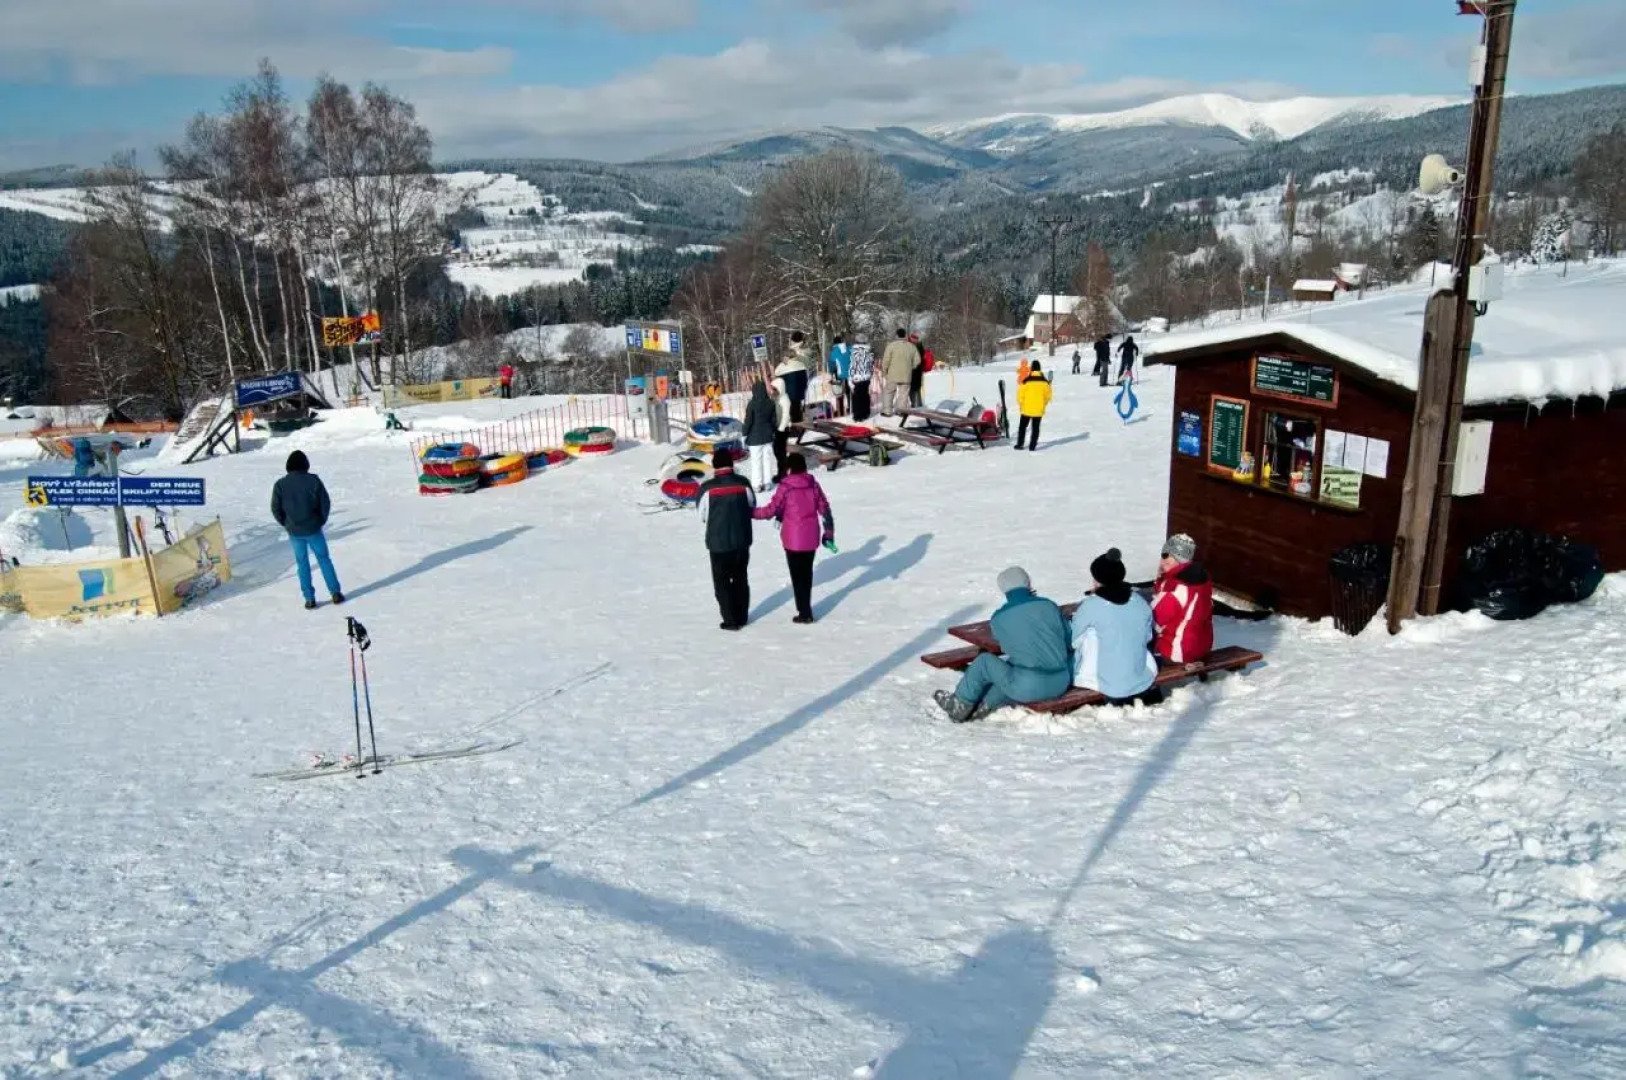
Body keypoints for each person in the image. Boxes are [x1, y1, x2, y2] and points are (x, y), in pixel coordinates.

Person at [934, 567, 1073, 722]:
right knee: (1014, 674)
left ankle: (960, 703)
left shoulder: (999, 618)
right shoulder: (1049, 606)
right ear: (1028, 583)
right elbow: (1068, 639)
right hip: (1060, 682)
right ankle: (984, 705)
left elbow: (1006, 648)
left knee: (985, 662)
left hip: (1028, 687)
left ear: (1004, 589)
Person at [1071, 547, 1162, 706]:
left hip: (1107, 683)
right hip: (1141, 676)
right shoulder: (1139, 602)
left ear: (1098, 580)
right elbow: (1148, 636)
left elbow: (1074, 639)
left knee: (1090, 636)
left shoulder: (1091, 606)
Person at [752, 453, 835, 624]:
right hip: (810, 539)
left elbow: (771, 510)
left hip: (792, 540)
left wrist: (749, 512)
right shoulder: (813, 484)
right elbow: (825, 510)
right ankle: (806, 610)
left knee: (797, 577)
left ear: (789, 468)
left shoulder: (786, 486)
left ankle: (804, 612)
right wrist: (829, 534)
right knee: (806, 575)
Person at [271, 450, 344, 611]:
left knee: (302, 563)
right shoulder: (314, 480)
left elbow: (275, 508)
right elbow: (325, 502)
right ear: (305, 464)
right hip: (313, 529)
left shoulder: (280, 485)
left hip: (294, 532)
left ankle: (309, 598)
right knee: (324, 559)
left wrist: (286, 523)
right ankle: (335, 592)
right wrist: (320, 520)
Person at [696, 448, 757, 631]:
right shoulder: (744, 483)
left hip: (718, 543)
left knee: (721, 583)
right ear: (731, 464)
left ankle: (730, 619)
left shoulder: (706, 488)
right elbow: (752, 505)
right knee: (740, 578)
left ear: (714, 466)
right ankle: (742, 616)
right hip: (741, 540)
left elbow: (702, 515)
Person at [1151, 533, 1215, 665]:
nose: (1162, 559)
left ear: (1178, 559)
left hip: (1178, 652)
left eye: (1165, 555)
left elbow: (1152, 621)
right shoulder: (1200, 581)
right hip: (1201, 647)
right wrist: (1162, 579)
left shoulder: (1176, 589)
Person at [741, 379, 778, 492]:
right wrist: (772, 431)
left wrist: (744, 434)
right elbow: (774, 421)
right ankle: (768, 483)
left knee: (756, 462)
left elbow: (748, 421)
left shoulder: (752, 404)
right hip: (768, 436)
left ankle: (757, 484)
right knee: (767, 460)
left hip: (754, 437)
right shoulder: (771, 403)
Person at [1014, 360, 1051, 452]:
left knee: (1022, 427)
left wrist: (1021, 404)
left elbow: (1020, 395)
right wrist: (1043, 404)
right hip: (1038, 410)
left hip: (1026, 409)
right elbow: (1048, 396)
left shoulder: (1026, 381)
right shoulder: (1045, 382)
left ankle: (1020, 444)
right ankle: (1032, 446)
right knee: (1035, 429)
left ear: (1032, 369)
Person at [775, 332, 812, 424]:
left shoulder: (792, 352)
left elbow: (782, 366)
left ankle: (795, 426)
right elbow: (807, 365)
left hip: (790, 384)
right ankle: (797, 424)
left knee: (792, 407)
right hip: (799, 382)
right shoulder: (805, 352)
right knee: (796, 406)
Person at [880, 328, 917, 418]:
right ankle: (901, 411)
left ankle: (887, 411)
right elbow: (917, 360)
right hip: (906, 374)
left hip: (892, 374)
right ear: (905, 335)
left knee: (889, 391)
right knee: (903, 393)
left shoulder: (891, 346)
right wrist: (910, 367)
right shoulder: (911, 346)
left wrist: (884, 371)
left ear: (896, 335)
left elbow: (886, 361)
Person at [769, 376, 792, 482]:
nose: (773, 391)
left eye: (775, 389)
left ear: (780, 388)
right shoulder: (778, 398)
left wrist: (780, 429)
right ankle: (782, 471)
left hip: (783, 430)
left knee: (780, 451)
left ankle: (783, 473)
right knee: (778, 451)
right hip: (778, 428)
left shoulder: (785, 400)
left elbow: (786, 416)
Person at [849, 335, 875, 422]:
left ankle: (857, 415)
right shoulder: (869, 352)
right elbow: (871, 365)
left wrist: (851, 375)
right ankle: (866, 412)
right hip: (866, 377)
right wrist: (870, 374)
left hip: (858, 377)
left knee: (857, 397)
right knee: (865, 395)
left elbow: (853, 365)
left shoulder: (855, 352)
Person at [829, 334, 852, 415]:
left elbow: (831, 364)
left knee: (839, 391)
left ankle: (841, 410)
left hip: (840, 374)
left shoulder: (833, 352)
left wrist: (831, 373)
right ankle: (850, 407)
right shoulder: (849, 348)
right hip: (850, 373)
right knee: (849, 390)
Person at [908, 333, 926, 408]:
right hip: (917, 370)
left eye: (914, 338)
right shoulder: (919, 346)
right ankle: (918, 404)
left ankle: (915, 404)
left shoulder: (915, 346)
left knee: (913, 388)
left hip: (914, 370)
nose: (914, 339)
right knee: (916, 388)